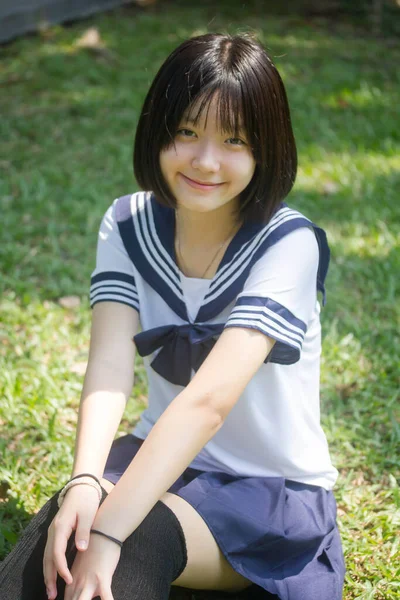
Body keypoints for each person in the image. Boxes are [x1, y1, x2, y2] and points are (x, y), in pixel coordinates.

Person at [0, 33, 345, 600]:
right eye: (186, 131)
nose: (205, 161)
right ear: (156, 132)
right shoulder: (127, 222)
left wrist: (112, 530)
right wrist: (85, 480)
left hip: (266, 496)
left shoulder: (290, 243)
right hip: (158, 460)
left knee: (122, 543)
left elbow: (207, 403)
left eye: (234, 140)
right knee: (60, 542)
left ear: (267, 149)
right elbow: (110, 365)